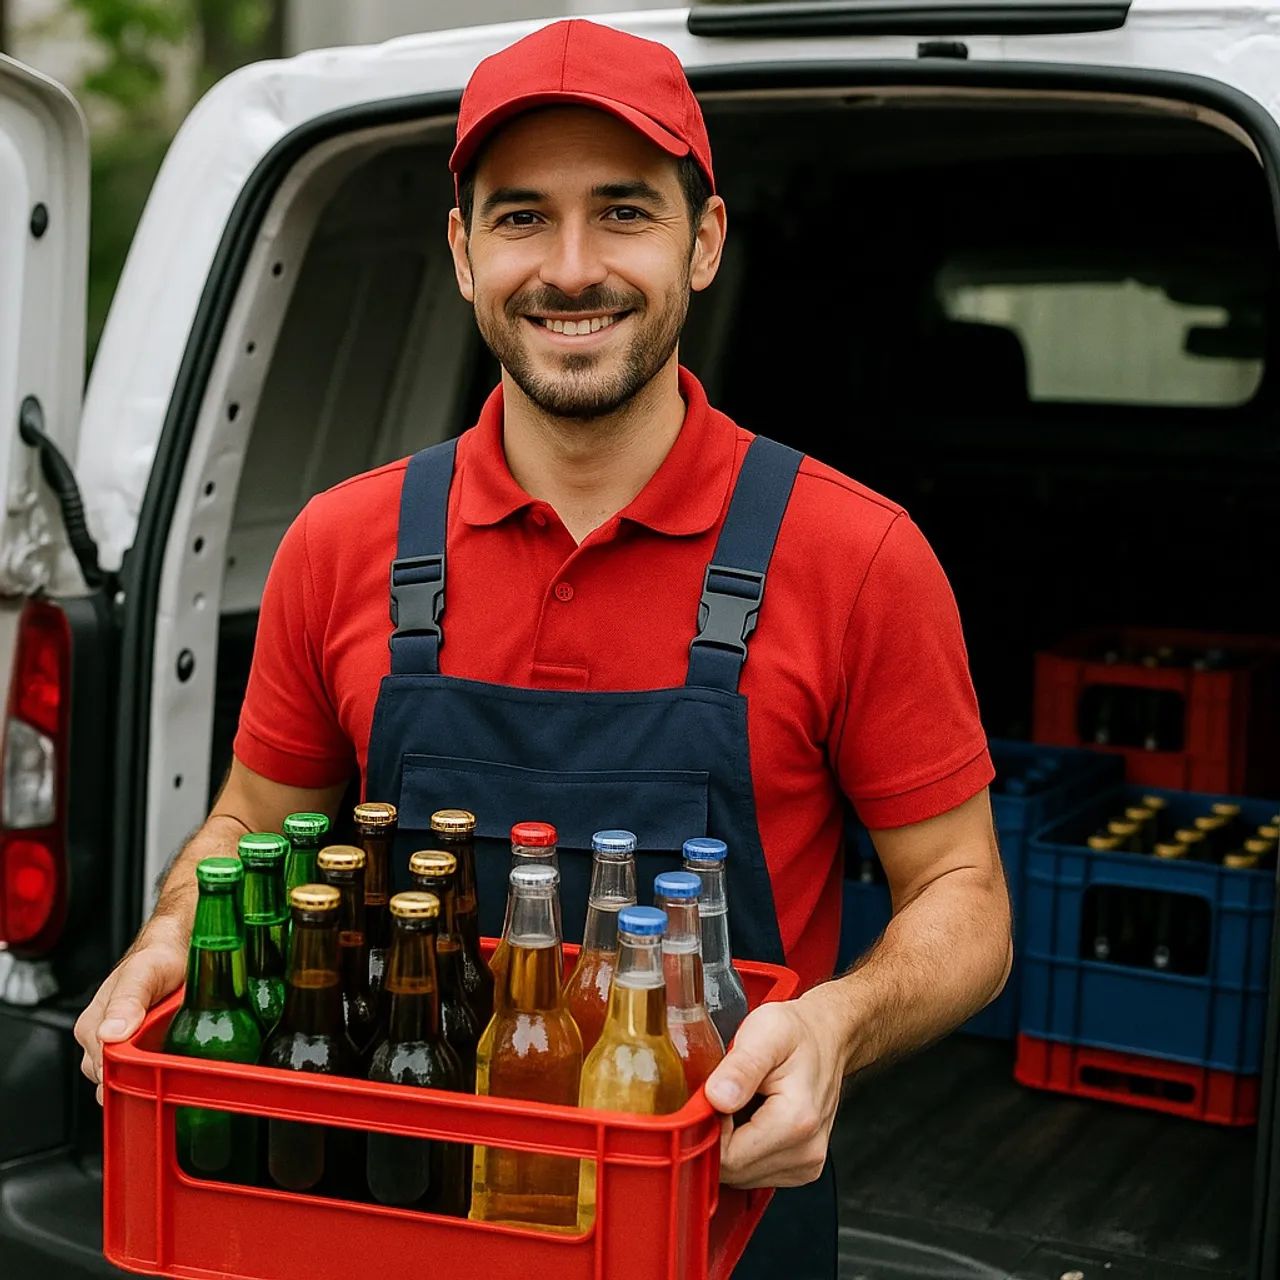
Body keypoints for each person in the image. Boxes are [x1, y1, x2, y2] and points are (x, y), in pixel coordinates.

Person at [75, 19, 1010, 1276]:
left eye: (623, 211)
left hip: (714, 1217)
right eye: (520, 217)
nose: (570, 268)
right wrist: (163, 945)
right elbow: (250, 821)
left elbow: (962, 895)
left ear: (704, 239)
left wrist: (834, 1024)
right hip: (388, 1210)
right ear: (462, 253)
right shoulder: (339, 544)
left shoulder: (856, 555)